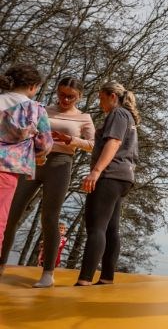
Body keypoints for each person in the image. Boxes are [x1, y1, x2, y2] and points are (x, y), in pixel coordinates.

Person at [1, 76, 95, 288]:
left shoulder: (84, 118)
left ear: (79, 97)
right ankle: (1, 264)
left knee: (50, 216)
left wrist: (71, 140)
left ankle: (48, 273)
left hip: (61, 164)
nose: (65, 99)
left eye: (70, 96)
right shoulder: (43, 109)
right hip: (34, 161)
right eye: (61, 94)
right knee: (12, 213)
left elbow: (92, 145)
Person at [74, 81, 139, 286]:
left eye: (101, 98)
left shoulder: (118, 114)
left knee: (96, 227)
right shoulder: (127, 117)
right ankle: (106, 277)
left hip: (110, 175)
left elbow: (114, 143)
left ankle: (84, 279)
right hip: (124, 177)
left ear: (112, 96)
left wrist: (95, 171)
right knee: (111, 228)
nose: (100, 103)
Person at [0, 64, 53, 265]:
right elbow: (46, 144)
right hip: (6, 170)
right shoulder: (36, 110)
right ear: (32, 86)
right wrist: (37, 152)